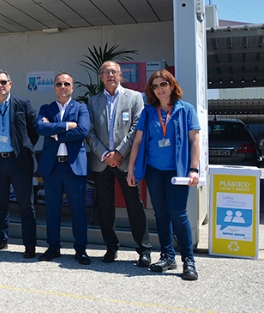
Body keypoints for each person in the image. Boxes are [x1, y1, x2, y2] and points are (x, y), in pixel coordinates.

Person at [126, 70, 201, 281]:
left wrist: (193, 169)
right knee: (160, 213)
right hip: (154, 170)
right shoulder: (149, 111)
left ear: (171, 85)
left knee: (178, 213)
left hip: (178, 172)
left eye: (163, 84)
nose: (159, 89)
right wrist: (131, 169)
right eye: (155, 86)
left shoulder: (186, 110)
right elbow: (138, 142)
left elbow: (195, 141)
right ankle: (167, 256)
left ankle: (189, 260)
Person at [85, 61, 152, 266]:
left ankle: (144, 249)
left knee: (134, 206)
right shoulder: (93, 101)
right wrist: (105, 154)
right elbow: (89, 131)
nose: (110, 75)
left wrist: (119, 153)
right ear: (101, 77)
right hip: (101, 162)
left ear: (121, 74)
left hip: (125, 163)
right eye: (106, 72)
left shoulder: (135, 98)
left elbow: (136, 128)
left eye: (113, 71)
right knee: (105, 207)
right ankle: (111, 247)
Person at [0, 70, 39, 256]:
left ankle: (29, 245)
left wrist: (23, 149)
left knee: (25, 205)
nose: (0, 86)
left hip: (18, 161)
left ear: (10, 84)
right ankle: (0, 240)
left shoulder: (22, 103)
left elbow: (34, 130)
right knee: (0, 204)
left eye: (3, 82)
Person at [36, 72, 91, 265]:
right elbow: (40, 129)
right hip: (52, 167)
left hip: (73, 166)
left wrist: (56, 133)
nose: (62, 87)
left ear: (72, 87)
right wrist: (67, 125)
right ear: (54, 87)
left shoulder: (81, 107)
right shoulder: (46, 108)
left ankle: (81, 249)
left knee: (78, 211)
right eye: (59, 84)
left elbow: (82, 131)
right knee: (52, 210)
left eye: (66, 83)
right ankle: (53, 247)